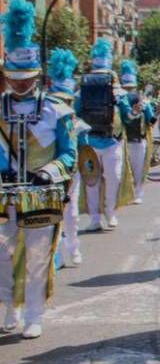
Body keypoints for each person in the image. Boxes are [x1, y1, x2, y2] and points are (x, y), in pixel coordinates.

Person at [0, 0, 77, 338]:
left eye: (26, 76)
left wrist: (49, 172)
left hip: (41, 193)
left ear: (37, 74)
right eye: (15, 76)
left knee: (37, 256)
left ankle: (33, 314)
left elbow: (69, 155)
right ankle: (8, 308)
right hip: (3, 194)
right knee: (2, 255)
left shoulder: (56, 110)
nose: (20, 82)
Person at [76, 39, 133, 230]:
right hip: (108, 142)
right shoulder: (118, 91)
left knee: (92, 182)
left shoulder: (81, 91)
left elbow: (76, 115)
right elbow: (127, 116)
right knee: (112, 178)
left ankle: (97, 217)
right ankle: (108, 213)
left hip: (96, 142)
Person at [47, 48, 84, 267]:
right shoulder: (48, 115)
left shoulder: (75, 120)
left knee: (71, 213)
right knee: (52, 214)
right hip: (51, 172)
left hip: (72, 173)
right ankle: (57, 252)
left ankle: (73, 247)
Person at [118, 61, 156, 204]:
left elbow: (151, 121)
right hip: (124, 140)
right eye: (127, 88)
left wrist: (146, 107)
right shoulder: (120, 100)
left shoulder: (140, 100)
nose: (129, 91)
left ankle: (137, 193)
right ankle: (129, 194)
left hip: (137, 140)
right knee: (126, 170)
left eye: (130, 88)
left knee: (137, 169)